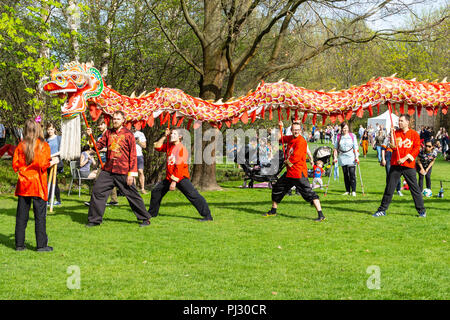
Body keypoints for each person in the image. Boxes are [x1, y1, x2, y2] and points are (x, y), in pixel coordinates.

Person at [85, 111, 152, 227]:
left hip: (123, 171)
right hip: (108, 170)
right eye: (114, 118)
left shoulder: (128, 134)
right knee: (97, 191)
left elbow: (133, 156)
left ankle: (145, 218)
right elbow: (98, 146)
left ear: (123, 120)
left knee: (132, 195)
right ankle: (94, 220)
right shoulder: (108, 133)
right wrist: (90, 137)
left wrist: (131, 174)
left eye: (118, 119)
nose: (115, 120)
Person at [265, 121, 325, 222]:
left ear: (300, 130)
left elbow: (295, 157)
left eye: (297, 130)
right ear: (292, 130)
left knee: (308, 193)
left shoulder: (301, 141)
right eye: (294, 130)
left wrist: (287, 161)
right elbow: (281, 139)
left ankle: (321, 214)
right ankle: (273, 210)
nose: (296, 131)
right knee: (277, 188)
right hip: (289, 173)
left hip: (298, 173)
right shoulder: (291, 138)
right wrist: (280, 127)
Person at [148, 128, 213, 221]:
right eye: (171, 134)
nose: (171, 135)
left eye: (174, 134)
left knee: (193, 195)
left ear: (180, 137)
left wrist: (174, 182)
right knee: (156, 192)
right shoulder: (169, 146)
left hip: (180, 177)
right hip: (169, 177)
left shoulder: (181, 149)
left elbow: (179, 167)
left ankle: (207, 216)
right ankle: (151, 214)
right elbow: (157, 147)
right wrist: (164, 136)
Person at [13, 119, 57, 251]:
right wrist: (52, 161)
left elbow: (15, 165)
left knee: (21, 216)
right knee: (39, 216)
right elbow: (43, 164)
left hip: (24, 183)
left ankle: (19, 244)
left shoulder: (21, 145)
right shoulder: (43, 145)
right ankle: (41, 245)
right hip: (37, 184)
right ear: (38, 129)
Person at [373, 114, 426, 217]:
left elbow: (416, 149)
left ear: (407, 122)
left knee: (414, 189)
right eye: (399, 121)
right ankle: (382, 210)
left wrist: (405, 158)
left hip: (408, 165)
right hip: (396, 164)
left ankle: (422, 211)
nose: (399, 122)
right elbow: (393, 147)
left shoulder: (414, 134)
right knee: (389, 187)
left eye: (401, 121)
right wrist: (392, 135)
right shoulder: (395, 133)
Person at [84, 116, 119, 207]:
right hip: (101, 161)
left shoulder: (111, 134)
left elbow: (114, 148)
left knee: (97, 181)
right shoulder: (100, 136)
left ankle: (94, 201)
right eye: (98, 125)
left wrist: (102, 149)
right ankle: (114, 200)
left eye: (101, 124)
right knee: (109, 181)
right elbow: (94, 146)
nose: (99, 126)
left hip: (108, 161)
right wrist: (89, 136)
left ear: (106, 124)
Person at [334, 122, 359, 196]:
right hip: (342, 156)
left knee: (352, 173)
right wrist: (335, 157)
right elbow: (335, 148)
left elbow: (356, 147)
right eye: (343, 128)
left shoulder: (352, 135)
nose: (345, 129)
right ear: (341, 129)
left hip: (351, 156)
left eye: (346, 128)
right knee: (345, 174)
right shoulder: (338, 136)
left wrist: (357, 157)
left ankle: (353, 190)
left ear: (348, 128)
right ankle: (347, 190)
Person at [45, 122, 62, 206]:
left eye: (51, 129)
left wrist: (52, 155)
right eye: (48, 129)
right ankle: (58, 200)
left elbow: (61, 150)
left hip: (57, 161)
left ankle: (48, 200)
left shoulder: (59, 138)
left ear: (54, 129)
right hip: (48, 162)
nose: (49, 131)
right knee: (53, 181)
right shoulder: (46, 140)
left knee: (51, 181)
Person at [131, 126, 147, 194]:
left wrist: (138, 141)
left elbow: (144, 146)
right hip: (131, 156)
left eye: (134, 127)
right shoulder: (127, 133)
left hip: (139, 155)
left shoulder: (140, 134)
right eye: (132, 127)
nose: (133, 128)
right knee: (133, 173)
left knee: (140, 171)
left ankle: (142, 189)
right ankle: (134, 190)